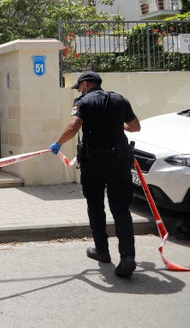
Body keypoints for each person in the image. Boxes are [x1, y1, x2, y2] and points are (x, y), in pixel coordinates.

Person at [49, 71, 141, 277]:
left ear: (87, 84)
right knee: (121, 209)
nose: (79, 90)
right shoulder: (119, 99)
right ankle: (128, 257)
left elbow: (73, 126)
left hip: (94, 163)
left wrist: (59, 142)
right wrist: (118, 126)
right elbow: (135, 127)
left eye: (80, 86)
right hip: (119, 162)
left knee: (96, 206)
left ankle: (102, 251)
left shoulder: (84, 102)